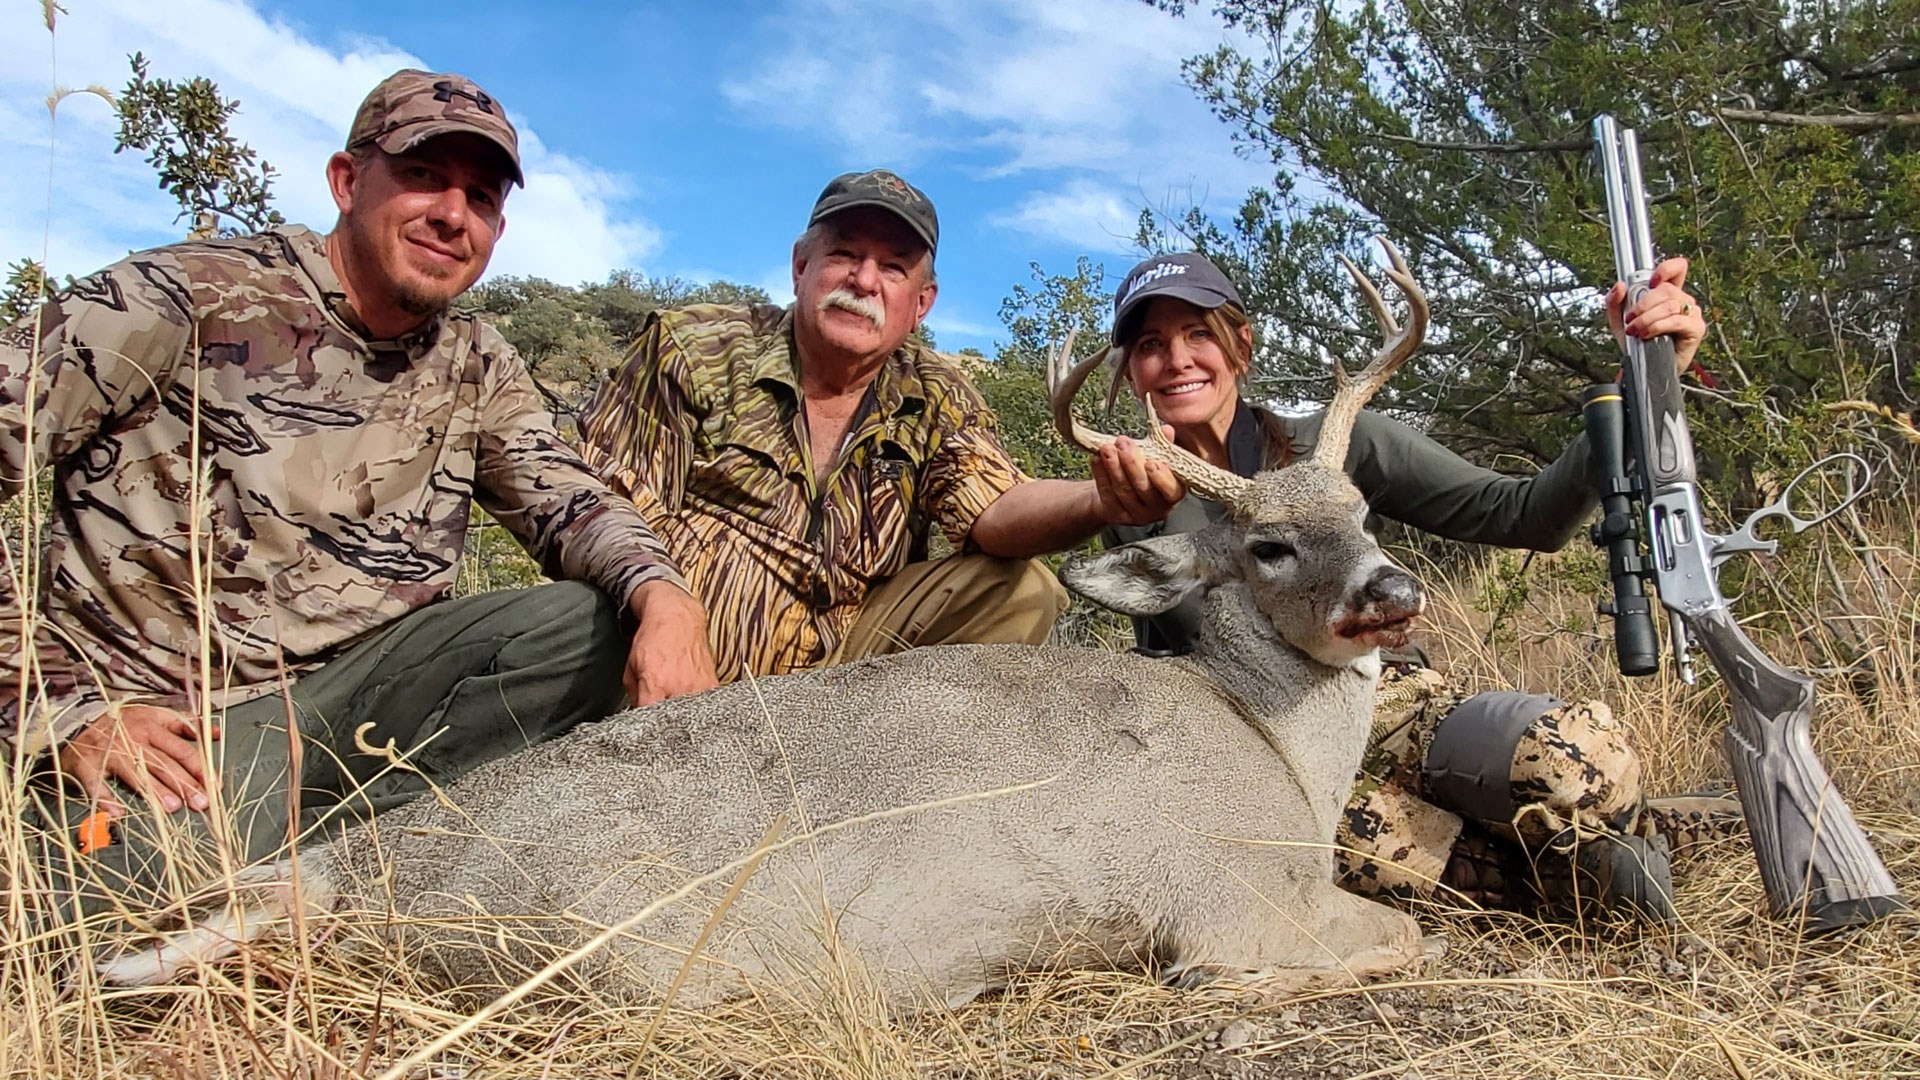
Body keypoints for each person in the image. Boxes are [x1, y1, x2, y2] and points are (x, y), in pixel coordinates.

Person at [0, 69, 717, 917]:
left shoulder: (477, 362)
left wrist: (670, 602)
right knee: (100, 907)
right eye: (422, 176)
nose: (453, 214)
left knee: (584, 623)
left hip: (368, 708)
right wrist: (58, 709)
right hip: (189, 727)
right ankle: (330, 871)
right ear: (347, 180)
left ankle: (357, 867)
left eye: (481, 197)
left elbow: (569, 499)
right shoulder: (176, 296)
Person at [1099, 250, 1740, 920]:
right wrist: (1140, 513)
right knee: (1339, 850)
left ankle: (1654, 829)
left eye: (1198, 333)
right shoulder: (1132, 503)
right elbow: (1206, 638)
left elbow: (1521, 515)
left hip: (1397, 704)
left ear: (1240, 347)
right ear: (1130, 371)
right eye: (1150, 344)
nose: (1176, 359)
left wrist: (1639, 383)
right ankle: (1575, 881)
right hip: (1266, 743)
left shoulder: (1336, 441)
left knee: (1574, 759)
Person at [576, 170, 1182, 683]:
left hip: (841, 679)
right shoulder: (694, 348)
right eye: (844, 254)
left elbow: (996, 507)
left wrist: (1099, 499)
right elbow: (597, 505)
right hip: (670, 652)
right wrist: (664, 609)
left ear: (922, 304)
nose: (864, 281)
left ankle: (885, 787)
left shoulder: (936, 394)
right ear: (800, 265)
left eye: (894, 268)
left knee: (1024, 591)